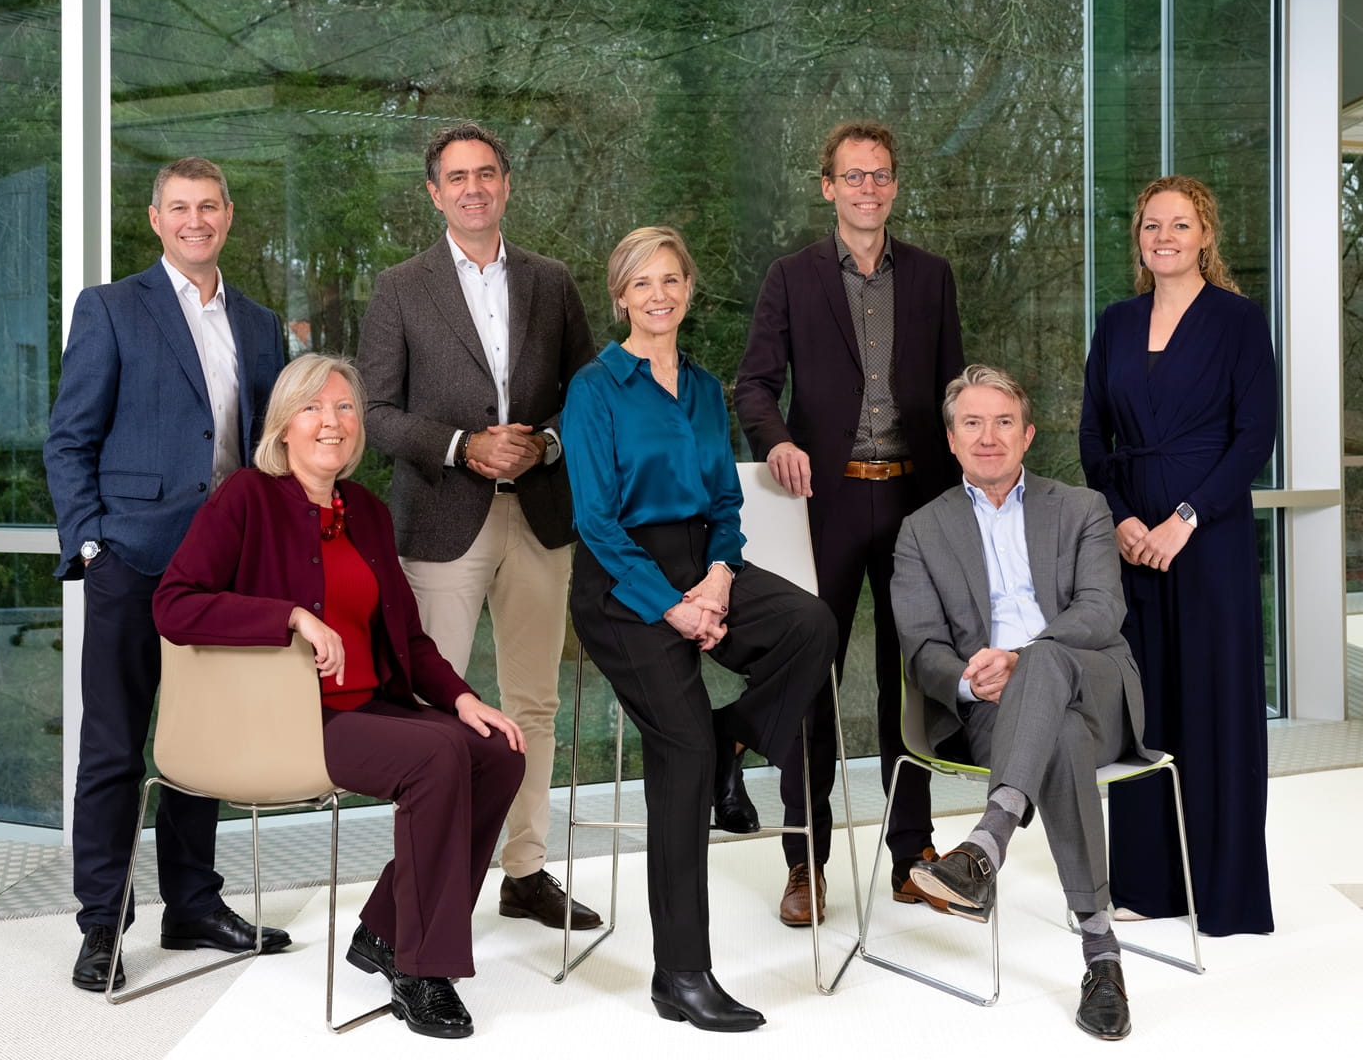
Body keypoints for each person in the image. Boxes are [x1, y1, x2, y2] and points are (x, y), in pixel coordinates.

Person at [153, 355, 525, 1039]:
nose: (333, 422)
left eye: (346, 408)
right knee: (438, 755)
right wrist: (289, 616)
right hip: (289, 720)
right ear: (285, 427)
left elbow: (408, 641)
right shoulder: (246, 498)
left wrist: (464, 698)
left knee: (495, 750)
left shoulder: (370, 515)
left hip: (366, 707)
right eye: (313, 408)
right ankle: (420, 969)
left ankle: (385, 929)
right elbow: (174, 605)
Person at [562, 227, 835, 1032]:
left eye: (671, 280)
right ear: (620, 296)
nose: (658, 295)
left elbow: (724, 504)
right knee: (678, 751)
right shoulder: (595, 388)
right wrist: (673, 605)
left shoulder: (706, 388)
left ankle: (731, 743)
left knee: (810, 627)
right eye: (641, 283)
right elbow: (596, 523)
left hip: (702, 564)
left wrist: (717, 577)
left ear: (688, 289)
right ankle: (680, 975)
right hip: (621, 584)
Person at [44, 157, 288, 992]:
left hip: (226, 571)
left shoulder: (261, 325)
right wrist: (89, 545)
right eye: (179, 207)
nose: (196, 220)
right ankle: (101, 926)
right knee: (115, 747)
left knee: (203, 742)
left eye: (209, 206)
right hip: (131, 559)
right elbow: (69, 437)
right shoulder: (112, 309)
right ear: (155, 219)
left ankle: (193, 904)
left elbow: (269, 452)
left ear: (229, 213)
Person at [360, 121, 600, 932]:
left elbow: (589, 392)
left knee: (533, 704)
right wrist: (464, 447)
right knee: (436, 718)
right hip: (439, 520)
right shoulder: (400, 286)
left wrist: (547, 445)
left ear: (506, 184)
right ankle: (426, 890)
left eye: (486, 174)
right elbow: (376, 412)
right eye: (456, 177)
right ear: (435, 193)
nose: (473, 188)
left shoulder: (552, 281)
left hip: (538, 518)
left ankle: (525, 871)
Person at [737, 120, 963, 924]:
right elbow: (754, 386)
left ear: (894, 186)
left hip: (915, 504)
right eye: (853, 177)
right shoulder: (792, 277)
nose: (868, 189)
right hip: (821, 506)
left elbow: (953, 400)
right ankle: (806, 861)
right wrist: (779, 442)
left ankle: (912, 855)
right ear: (827, 187)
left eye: (881, 176)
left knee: (916, 679)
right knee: (811, 682)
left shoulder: (933, 279)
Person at [899, 365, 1148, 1041]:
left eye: (1003, 422)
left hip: (1094, 686)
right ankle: (1101, 955)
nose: (988, 437)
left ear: (1028, 435)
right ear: (951, 440)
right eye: (972, 423)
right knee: (1059, 739)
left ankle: (986, 845)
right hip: (994, 712)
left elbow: (1101, 611)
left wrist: (1024, 654)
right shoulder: (921, 531)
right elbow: (920, 647)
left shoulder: (1082, 508)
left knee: (1048, 665)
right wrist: (967, 680)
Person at [1077, 174, 1277, 937]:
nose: (1164, 236)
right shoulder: (1117, 322)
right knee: (1142, 709)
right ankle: (1149, 883)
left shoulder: (1236, 320)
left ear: (1205, 236)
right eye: (1151, 224)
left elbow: (1253, 438)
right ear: (1139, 238)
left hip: (1209, 540)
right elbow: (1095, 436)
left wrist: (1183, 519)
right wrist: (1125, 519)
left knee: (1215, 706)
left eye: (1180, 224)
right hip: (1133, 547)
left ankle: (1225, 894)